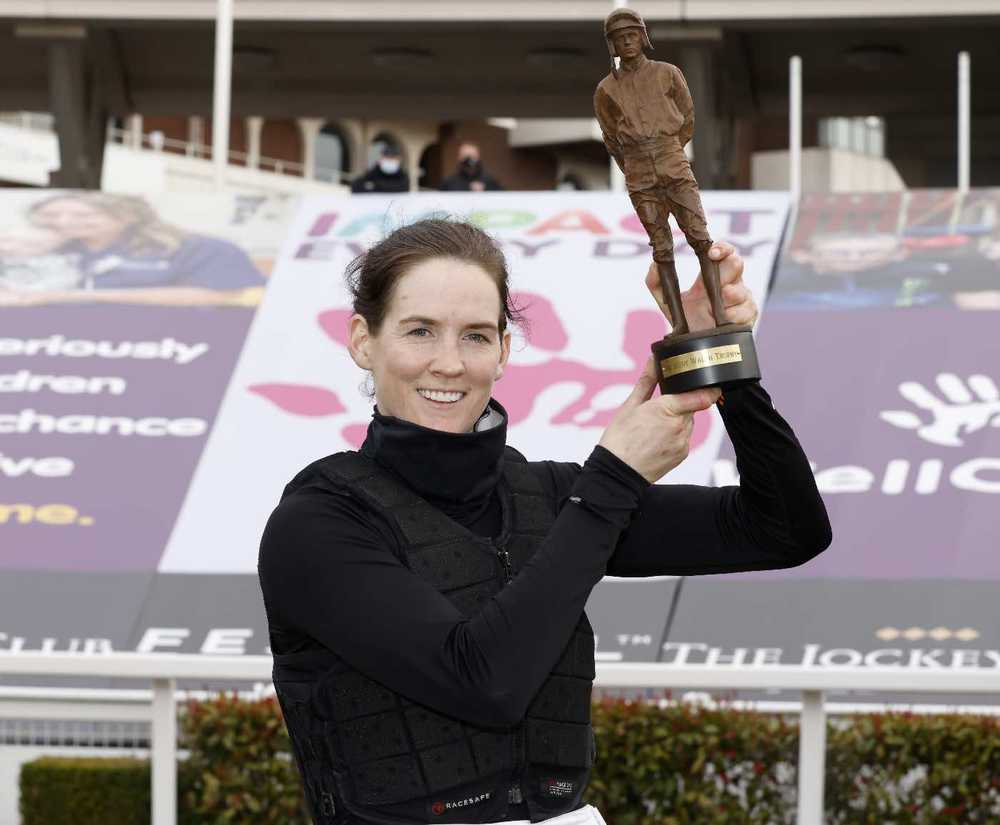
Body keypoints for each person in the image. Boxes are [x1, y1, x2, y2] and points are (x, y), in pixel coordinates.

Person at [257, 219, 832, 825]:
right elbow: (484, 684)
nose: (449, 363)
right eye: (420, 331)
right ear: (363, 340)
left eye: (476, 336)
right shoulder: (318, 523)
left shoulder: (551, 496)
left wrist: (716, 351)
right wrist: (613, 480)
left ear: (504, 351)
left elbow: (785, 527)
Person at [593, 8, 724, 335]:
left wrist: (668, 150)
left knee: (700, 238)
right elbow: (611, 139)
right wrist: (635, 165)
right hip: (639, 172)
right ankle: (679, 323)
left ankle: (720, 314)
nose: (627, 42)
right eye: (620, 38)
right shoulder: (605, 90)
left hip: (672, 160)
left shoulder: (668, 73)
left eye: (632, 35)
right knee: (661, 248)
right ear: (612, 45)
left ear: (643, 36)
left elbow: (688, 118)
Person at [0, 192, 265, 307]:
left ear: (127, 215)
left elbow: (227, 297)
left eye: (84, 215)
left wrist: (59, 297)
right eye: (50, 216)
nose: (64, 223)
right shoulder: (41, 252)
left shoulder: (198, 248)